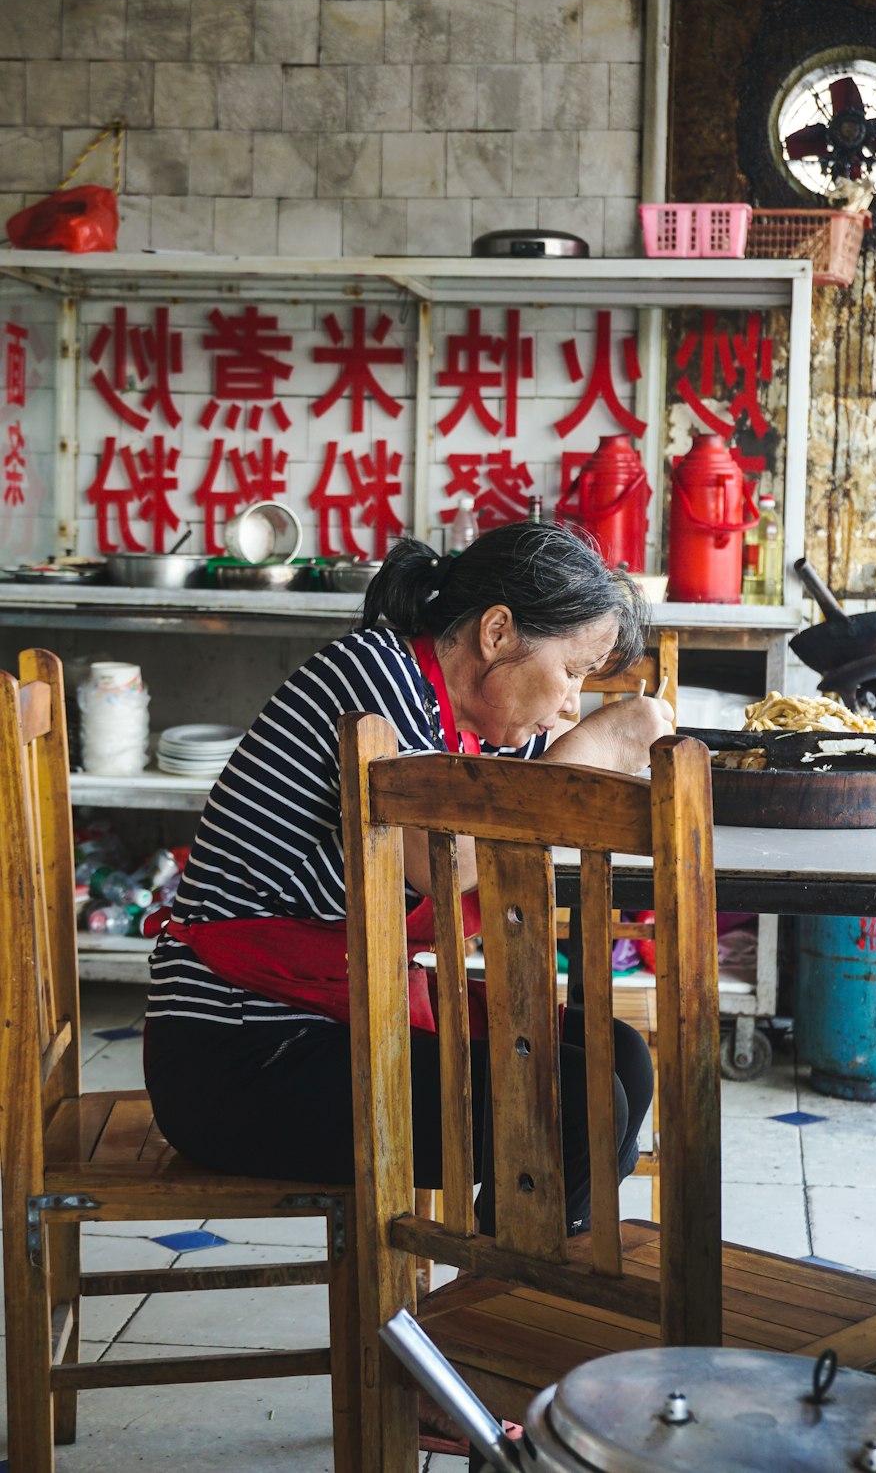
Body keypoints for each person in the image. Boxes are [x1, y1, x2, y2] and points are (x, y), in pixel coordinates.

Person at [144, 520, 675, 1236]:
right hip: (243, 1055)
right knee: (581, 1102)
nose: (571, 703)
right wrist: (589, 751)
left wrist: (574, 755)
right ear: (496, 634)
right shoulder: (373, 678)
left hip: (336, 1014)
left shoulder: (463, 720)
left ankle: (510, 1292)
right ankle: (505, 1316)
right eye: (574, 672)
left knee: (623, 1059)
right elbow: (440, 861)